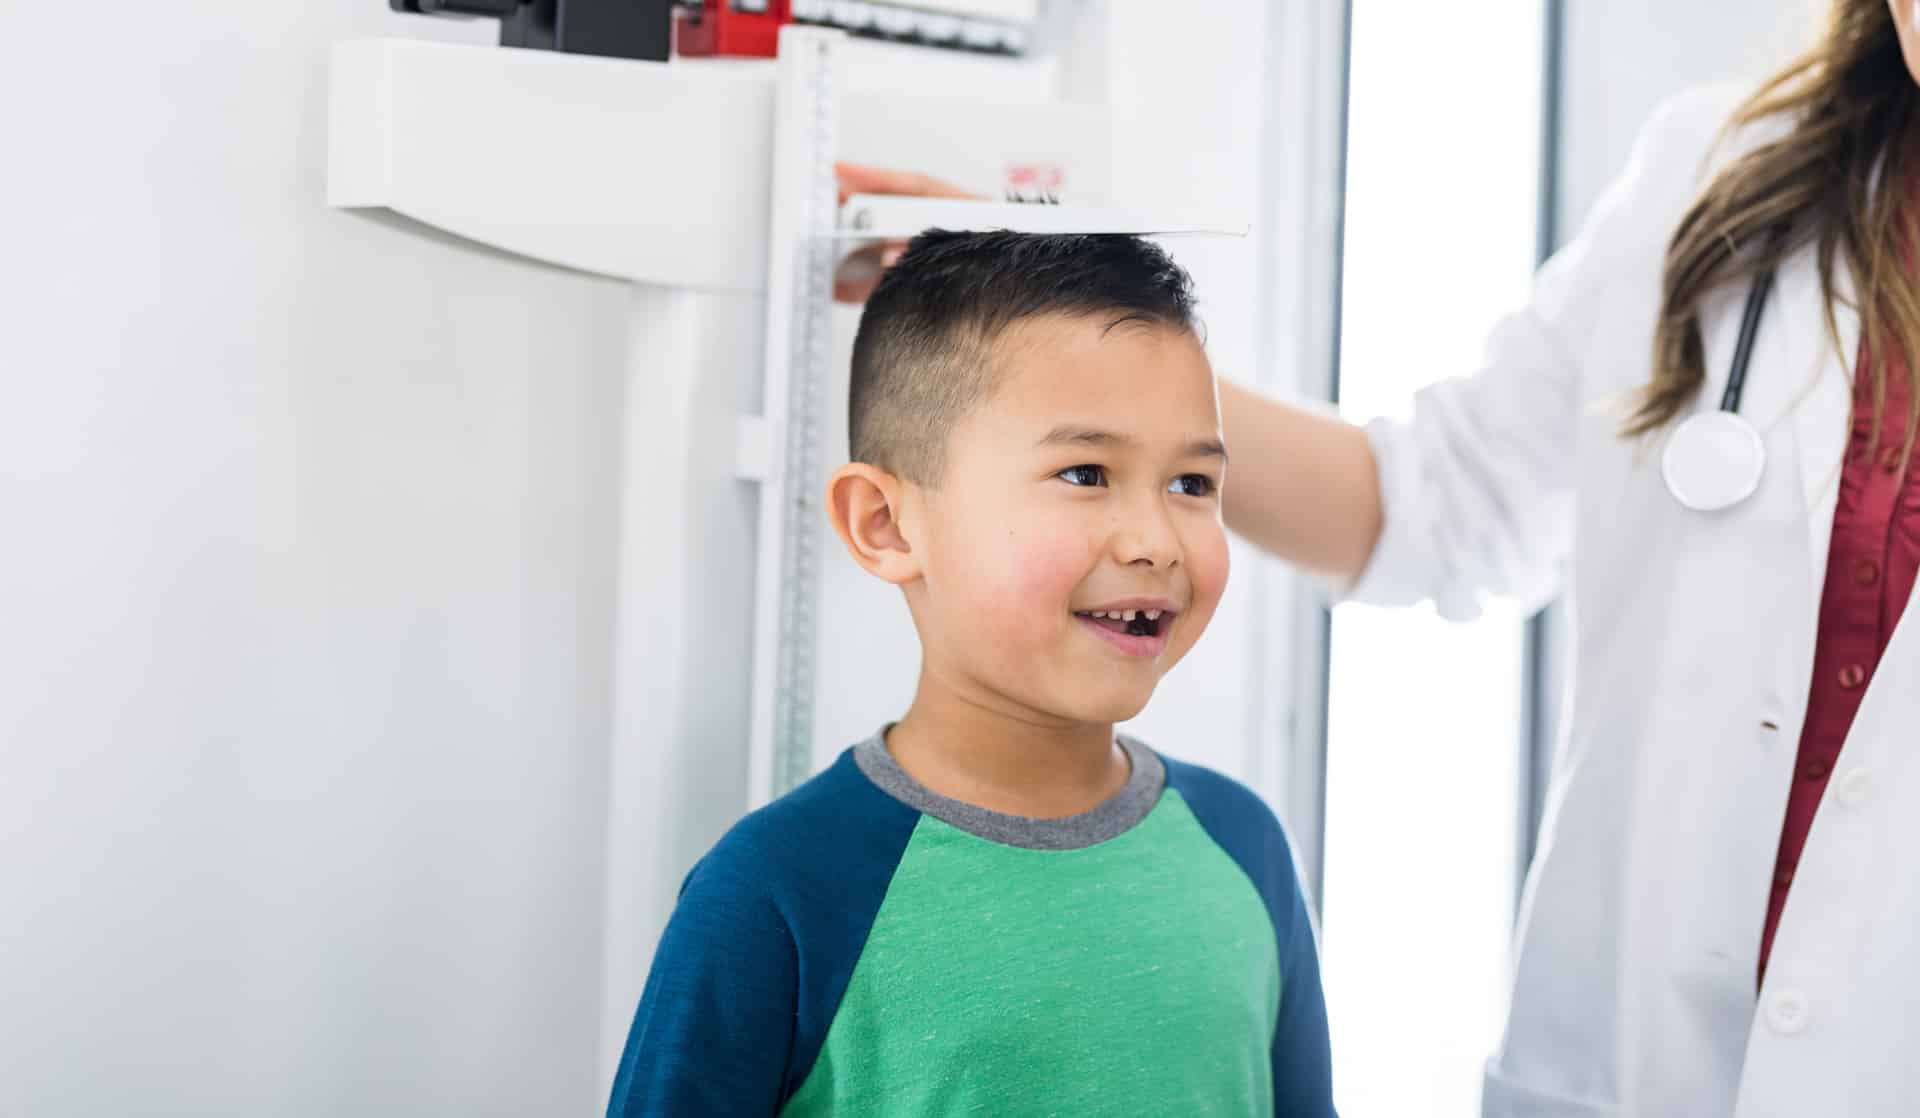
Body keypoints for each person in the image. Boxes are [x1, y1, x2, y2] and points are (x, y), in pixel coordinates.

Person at [840, 2, 1920, 1114]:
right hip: (1632, 1066)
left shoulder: (1227, 857)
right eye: (1085, 482)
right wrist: (1056, 324)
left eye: (1173, 487)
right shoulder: (1715, 175)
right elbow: (1434, 504)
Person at [605, 232, 1336, 1116]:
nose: (1154, 540)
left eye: (1190, 484)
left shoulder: (1243, 846)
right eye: (1085, 472)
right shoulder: (776, 891)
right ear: (885, 523)